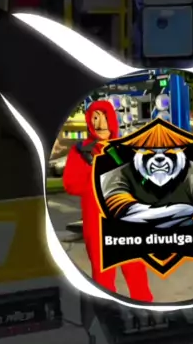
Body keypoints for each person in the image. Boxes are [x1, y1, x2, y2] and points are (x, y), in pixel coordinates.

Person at [63, 100, 153, 302]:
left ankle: (145, 311)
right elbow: (71, 185)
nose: (100, 123)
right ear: (89, 121)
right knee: (103, 282)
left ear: (112, 120)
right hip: (97, 227)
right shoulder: (80, 152)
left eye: (104, 117)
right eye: (95, 117)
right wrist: (95, 171)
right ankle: (107, 314)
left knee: (137, 277)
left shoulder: (126, 149)